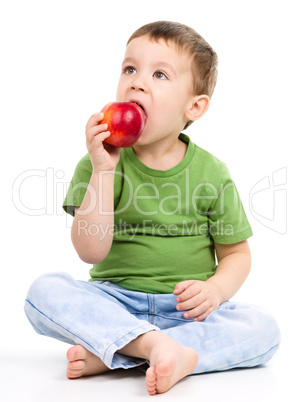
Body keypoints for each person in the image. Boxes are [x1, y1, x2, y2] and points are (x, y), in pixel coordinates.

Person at [24, 21, 280, 396]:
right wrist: (103, 171)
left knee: (263, 328)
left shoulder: (212, 172)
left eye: (159, 74)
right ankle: (148, 346)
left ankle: (120, 351)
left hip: (186, 313)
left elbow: (237, 254)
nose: (137, 82)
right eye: (130, 68)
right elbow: (89, 252)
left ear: (194, 106)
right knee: (42, 292)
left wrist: (215, 290)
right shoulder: (99, 163)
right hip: (113, 301)